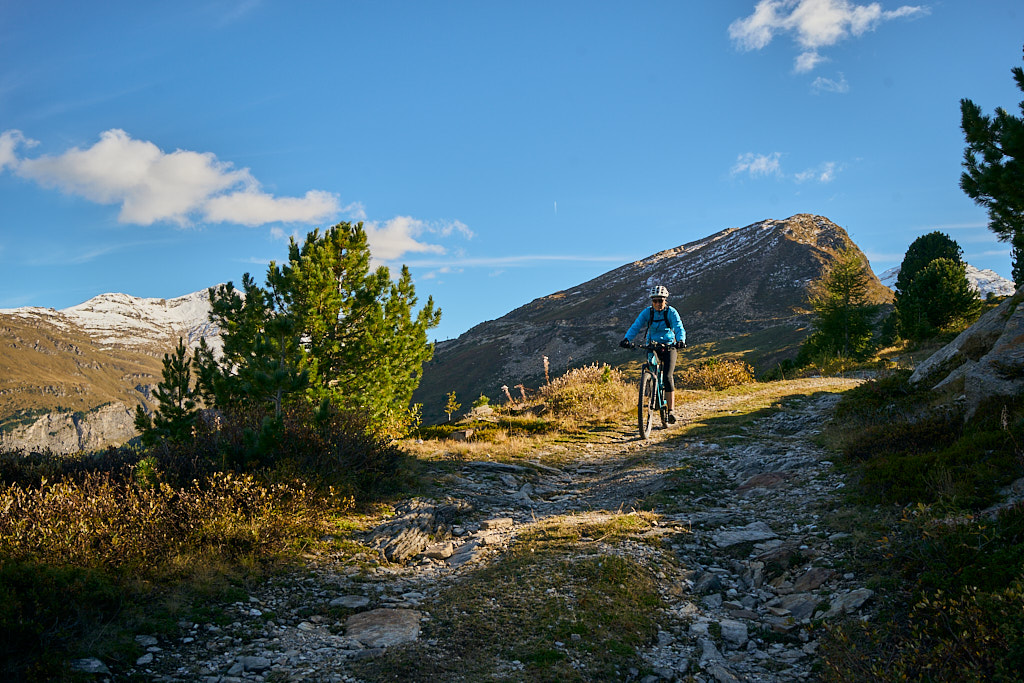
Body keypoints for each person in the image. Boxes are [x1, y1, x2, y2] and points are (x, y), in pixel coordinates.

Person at [619, 285, 686, 423]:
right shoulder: (647, 313)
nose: (657, 304)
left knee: (667, 376)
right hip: (652, 345)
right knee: (650, 367)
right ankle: (652, 391)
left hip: (669, 346)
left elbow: (679, 327)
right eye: (655, 301)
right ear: (652, 301)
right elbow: (636, 326)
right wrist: (627, 339)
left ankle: (671, 410)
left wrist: (680, 340)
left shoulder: (671, 312)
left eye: (660, 301)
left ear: (665, 300)